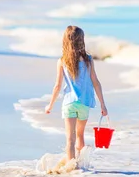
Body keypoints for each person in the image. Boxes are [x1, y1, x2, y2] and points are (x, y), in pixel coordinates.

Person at [45, 25, 108, 163]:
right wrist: (103, 104)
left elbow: (57, 86)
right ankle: (80, 166)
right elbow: (96, 82)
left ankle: (71, 167)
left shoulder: (62, 61)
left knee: (70, 139)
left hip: (69, 103)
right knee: (80, 135)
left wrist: (50, 105)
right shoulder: (88, 60)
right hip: (84, 103)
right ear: (82, 41)